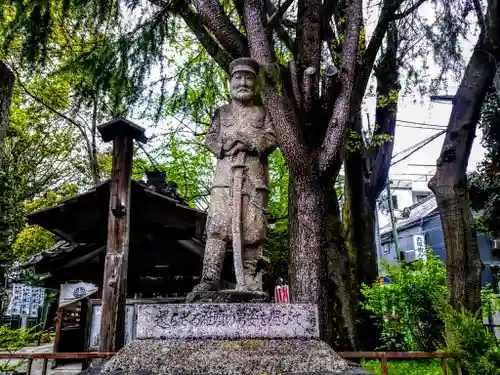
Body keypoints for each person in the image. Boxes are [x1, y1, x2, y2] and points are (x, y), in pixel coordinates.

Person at [191, 57, 277, 294]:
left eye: (248, 78)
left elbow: (272, 138)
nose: (243, 82)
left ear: (255, 83)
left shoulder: (263, 112)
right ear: (230, 82)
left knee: (254, 230)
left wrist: (250, 143)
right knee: (217, 226)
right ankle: (209, 279)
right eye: (238, 77)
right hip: (224, 179)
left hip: (254, 180)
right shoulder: (222, 112)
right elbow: (210, 138)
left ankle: (250, 281)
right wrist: (225, 145)